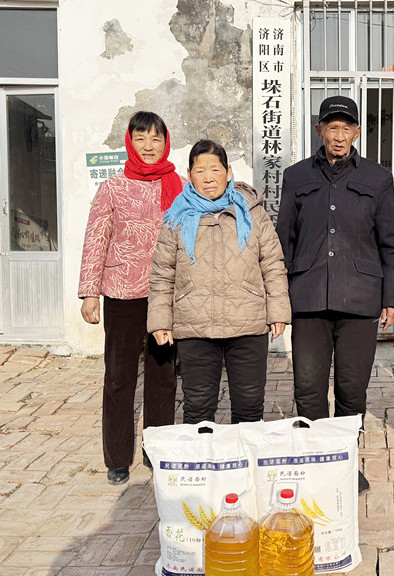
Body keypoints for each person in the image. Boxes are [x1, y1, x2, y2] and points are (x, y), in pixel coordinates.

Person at [276, 95, 394, 495]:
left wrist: (392, 297)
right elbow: (283, 239)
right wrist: (276, 298)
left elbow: (391, 242)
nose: (338, 135)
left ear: (356, 132)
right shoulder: (297, 176)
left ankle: (345, 462)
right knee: (308, 388)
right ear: (320, 131)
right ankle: (318, 465)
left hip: (360, 298)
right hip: (308, 298)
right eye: (331, 127)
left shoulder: (377, 178)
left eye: (346, 128)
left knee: (352, 389)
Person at [148, 140, 290, 425]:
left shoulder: (252, 211)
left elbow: (272, 263)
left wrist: (278, 311)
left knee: (249, 406)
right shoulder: (177, 216)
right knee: (198, 408)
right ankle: (202, 455)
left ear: (228, 172)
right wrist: (160, 320)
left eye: (215, 169)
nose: (208, 177)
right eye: (200, 170)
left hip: (247, 322)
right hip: (195, 324)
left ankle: (245, 455)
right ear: (190, 174)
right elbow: (163, 272)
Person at [78, 111, 183, 485]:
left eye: (156, 139)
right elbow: (96, 239)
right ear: (130, 142)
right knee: (119, 377)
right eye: (141, 138)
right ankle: (118, 457)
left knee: (163, 377)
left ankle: (157, 448)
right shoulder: (112, 187)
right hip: (122, 294)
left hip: (165, 294)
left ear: (165, 143)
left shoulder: (180, 185)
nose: (149, 146)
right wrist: (90, 293)